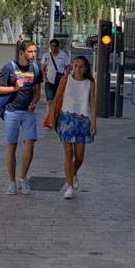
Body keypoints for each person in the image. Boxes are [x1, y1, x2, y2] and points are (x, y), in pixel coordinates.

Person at [0, 40, 42, 195]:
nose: (33, 55)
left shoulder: (35, 68)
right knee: (12, 146)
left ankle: (23, 178)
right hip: (12, 111)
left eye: (35, 51)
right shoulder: (9, 67)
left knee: (30, 143)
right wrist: (14, 88)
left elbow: (38, 91)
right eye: (30, 52)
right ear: (22, 52)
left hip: (28, 113)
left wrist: (35, 101)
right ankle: (12, 182)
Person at [51, 56, 97, 200]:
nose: (78, 69)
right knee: (68, 154)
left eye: (81, 66)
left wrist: (93, 123)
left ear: (86, 68)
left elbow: (92, 104)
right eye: (76, 65)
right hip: (66, 118)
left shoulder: (90, 83)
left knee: (79, 157)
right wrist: (52, 117)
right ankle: (69, 186)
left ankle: (73, 173)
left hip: (83, 120)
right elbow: (56, 98)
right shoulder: (66, 80)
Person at [41, 38, 70, 126]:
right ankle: (49, 119)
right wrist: (45, 78)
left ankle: (57, 118)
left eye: (55, 46)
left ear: (58, 47)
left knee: (58, 100)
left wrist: (66, 76)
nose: (53, 48)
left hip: (60, 81)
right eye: (52, 46)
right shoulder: (46, 56)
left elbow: (68, 66)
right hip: (49, 81)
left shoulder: (63, 55)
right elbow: (42, 68)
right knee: (49, 101)